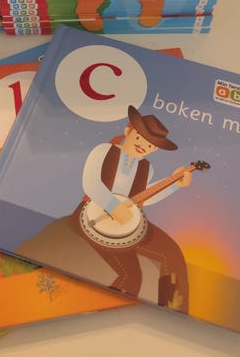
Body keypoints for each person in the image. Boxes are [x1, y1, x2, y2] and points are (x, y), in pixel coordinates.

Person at [70, 105, 191, 312]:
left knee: (172, 254)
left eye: (151, 145)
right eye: (140, 138)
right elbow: (90, 182)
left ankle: (176, 309)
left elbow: (143, 198)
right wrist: (112, 206)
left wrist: (173, 184)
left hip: (127, 220)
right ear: (128, 132)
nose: (144, 146)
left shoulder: (146, 167)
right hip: (94, 215)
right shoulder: (103, 150)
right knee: (131, 276)